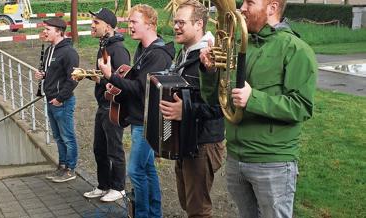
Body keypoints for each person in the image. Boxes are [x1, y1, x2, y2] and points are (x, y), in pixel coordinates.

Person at [199, 0, 318, 217]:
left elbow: (302, 106)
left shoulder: (296, 49)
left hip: (272, 161)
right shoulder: (239, 45)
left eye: (250, 2)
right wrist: (208, 72)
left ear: (272, 8)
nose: (241, 7)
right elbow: (215, 100)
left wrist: (253, 99)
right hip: (236, 157)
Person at [99, 4, 175, 217]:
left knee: (135, 171)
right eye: (129, 21)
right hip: (139, 118)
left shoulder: (158, 54)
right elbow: (136, 84)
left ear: (150, 24)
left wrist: (111, 76)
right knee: (148, 169)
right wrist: (116, 85)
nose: (129, 26)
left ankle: (143, 214)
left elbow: (143, 90)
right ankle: (153, 213)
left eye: (134, 22)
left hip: (147, 121)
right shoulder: (144, 49)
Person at [159, 1, 225, 217]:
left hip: (203, 143)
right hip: (186, 139)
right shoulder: (185, 53)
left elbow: (220, 106)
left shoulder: (212, 56)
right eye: (175, 22)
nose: (175, 27)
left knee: (199, 209)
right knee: (188, 203)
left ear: (199, 24)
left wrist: (185, 111)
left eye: (181, 23)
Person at [80, 8, 130, 202]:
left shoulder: (119, 50)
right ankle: (103, 185)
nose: (92, 25)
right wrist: (90, 75)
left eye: (96, 23)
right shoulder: (104, 46)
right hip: (102, 105)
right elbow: (105, 76)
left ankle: (119, 188)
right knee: (99, 148)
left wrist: (99, 80)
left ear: (108, 26)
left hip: (113, 107)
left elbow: (123, 80)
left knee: (114, 149)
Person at [35, 17, 80, 183]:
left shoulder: (69, 52)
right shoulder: (49, 50)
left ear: (59, 31)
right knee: (58, 137)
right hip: (50, 99)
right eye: (44, 28)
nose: (44, 32)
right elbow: (53, 73)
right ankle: (61, 166)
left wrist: (60, 98)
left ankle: (70, 169)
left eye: (48, 29)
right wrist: (43, 75)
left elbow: (73, 79)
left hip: (62, 102)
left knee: (67, 137)